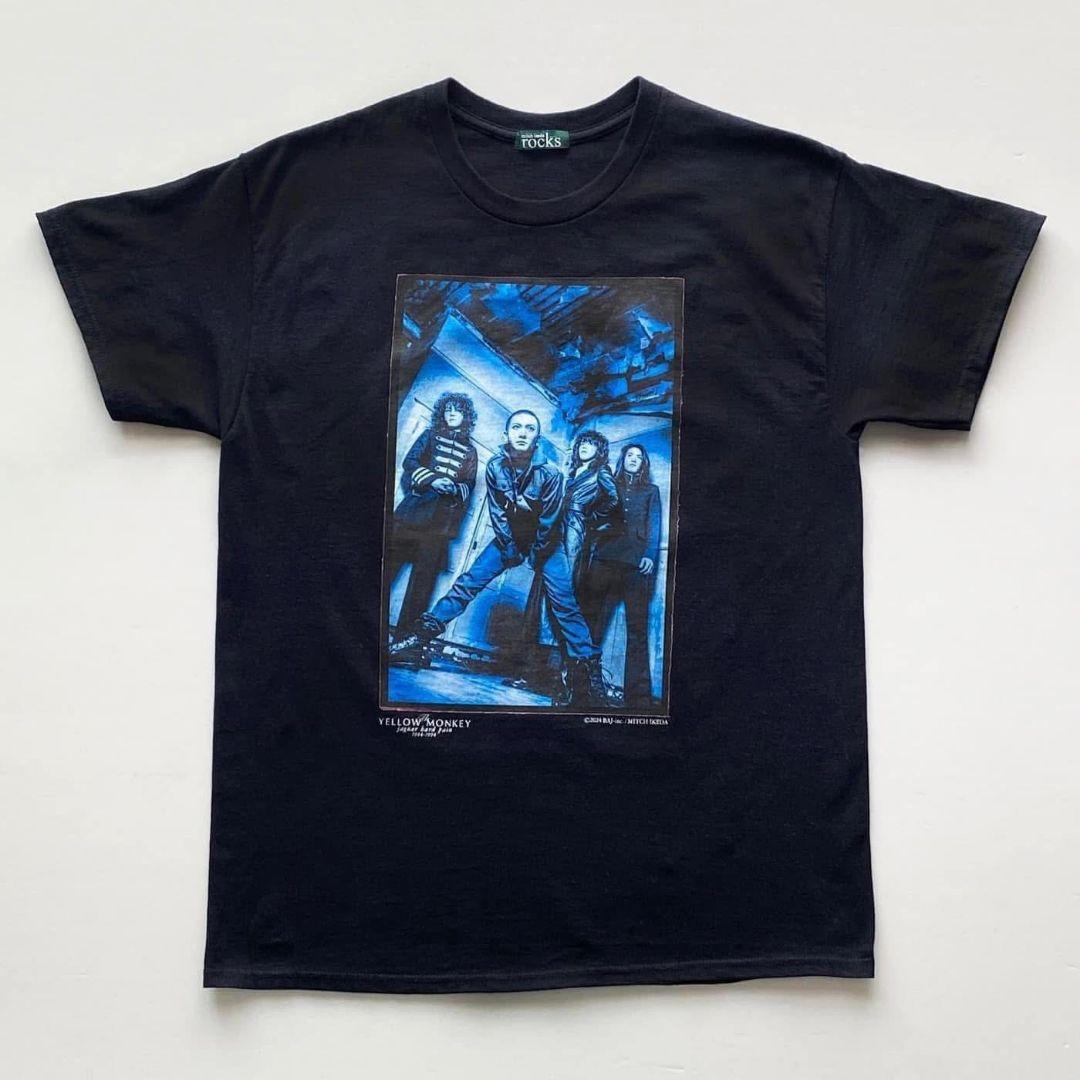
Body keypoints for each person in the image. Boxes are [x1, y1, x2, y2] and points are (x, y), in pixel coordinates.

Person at [390, 409, 615, 707]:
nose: (522, 432)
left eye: (530, 428)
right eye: (517, 427)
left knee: (565, 605)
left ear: (537, 438)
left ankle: (587, 681)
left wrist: (536, 556)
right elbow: (497, 512)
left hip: (547, 542)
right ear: (506, 434)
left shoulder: (552, 473)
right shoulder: (495, 465)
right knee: (468, 583)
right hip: (510, 536)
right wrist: (509, 549)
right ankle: (416, 640)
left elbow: (548, 522)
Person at [515, 429, 619, 701]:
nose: (584, 447)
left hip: (573, 537)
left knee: (560, 600)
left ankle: (556, 680)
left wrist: (588, 516)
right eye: (582, 442)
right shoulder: (571, 472)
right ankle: (532, 674)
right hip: (554, 531)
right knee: (540, 598)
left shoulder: (602, 472)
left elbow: (614, 501)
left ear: (599, 450)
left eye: (591, 444)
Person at [386, 392, 478, 641]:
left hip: (441, 525)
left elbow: (469, 484)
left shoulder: (470, 451)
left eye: (457, 410)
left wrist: (453, 488)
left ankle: (405, 640)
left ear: (466, 416)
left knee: (423, 585)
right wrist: (433, 480)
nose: (452, 414)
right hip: (411, 516)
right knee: (388, 568)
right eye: (448, 409)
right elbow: (410, 462)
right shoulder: (430, 436)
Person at [581, 443, 662, 710]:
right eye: (630, 455)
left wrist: (650, 554)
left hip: (636, 564)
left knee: (637, 629)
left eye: (639, 456)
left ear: (643, 463)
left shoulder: (651, 491)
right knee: (592, 622)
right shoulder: (608, 484)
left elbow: (655, 525)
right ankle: (581, 687)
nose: (633, 459)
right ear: (623, 459)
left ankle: (638, 700)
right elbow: (592, 516)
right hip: (605, 559)